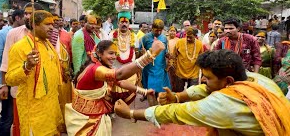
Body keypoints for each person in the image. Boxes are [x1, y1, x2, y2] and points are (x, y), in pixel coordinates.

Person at [114, 50, 290, 135]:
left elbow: (177, 112)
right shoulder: (254, 79)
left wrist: (130, 113)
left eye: (207, 77)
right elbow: (203, 89)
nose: (203, 80)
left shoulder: (225, 104)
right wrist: (177, 96)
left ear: (228, 80)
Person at [65, 39, 164, 135]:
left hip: (95, 116)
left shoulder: (99, 66)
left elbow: (121, 82)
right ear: (99, 53)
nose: (114, 57)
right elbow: (120, 74)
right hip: (86, 121)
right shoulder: (95, 69)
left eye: (115, 54)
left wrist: (144, 91)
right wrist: (149, 55)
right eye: (110, 53)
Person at [5, 10, 64, 135]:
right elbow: (10, 79)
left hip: (51, 107)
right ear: (33, 25)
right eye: (47, 24)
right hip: (33, 110)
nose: (52, 28)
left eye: (52, 24)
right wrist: (26, 66)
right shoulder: (20, 47)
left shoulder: (48, 44)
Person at [0, 4, 42, 136]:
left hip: (40, 90)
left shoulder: (44, 35)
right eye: (26, 13)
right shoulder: (13, 33)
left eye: (32, 13)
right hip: (18, 89)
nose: (28, 16)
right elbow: (6, 61)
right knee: (17, 123)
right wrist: (4, 85)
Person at [0, 10, 24, 136]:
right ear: (18, 18)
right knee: (7, 117)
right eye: (0, 20)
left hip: (21, 82)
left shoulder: (30, 34)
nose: (2, 23)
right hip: (7, 81)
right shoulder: (1, 35)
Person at [109, 11, 139, 105]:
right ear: (118, 23)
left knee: (129, 93)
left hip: (129, 69)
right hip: (115, 69)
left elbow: (136, 52)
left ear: (129, 23)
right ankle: (113, 109)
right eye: (122, 22)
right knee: (113, 94)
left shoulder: (134, 36)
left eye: (126, 22)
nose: (124, 24)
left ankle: (125, 110)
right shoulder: (111, 35)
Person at [140, 19, 171, 105]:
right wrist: (142, 52)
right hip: (149, 68)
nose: (159, 32)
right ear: (152, 28)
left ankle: (159, 110)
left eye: (161, 30)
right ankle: (152, 110)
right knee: (151, 90)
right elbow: (138, 52)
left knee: (162, 89)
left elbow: (166, 52)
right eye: (157, 30)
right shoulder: (145, 38)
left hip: (161, 68)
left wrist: (168, 55)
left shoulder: (164, 38)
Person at [172, 27, 203, 91]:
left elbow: (201, 57)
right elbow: (174, 55)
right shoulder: (179, 42)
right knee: (178, 92)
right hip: (180, 72)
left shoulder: (200, 44)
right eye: (187, 36)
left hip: (194, 73)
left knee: (192, 93)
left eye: (190, 37)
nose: (188, 39)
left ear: (195, 36)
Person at [166, 26, 179, 90]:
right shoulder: (165, 39)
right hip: (166, 60)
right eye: (171, 31)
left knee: (174, 76)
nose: (172, 32)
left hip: (175, 61)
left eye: (174, 31)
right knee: (167, 76)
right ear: (168, 32)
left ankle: (174, 90)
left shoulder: (178, 40)